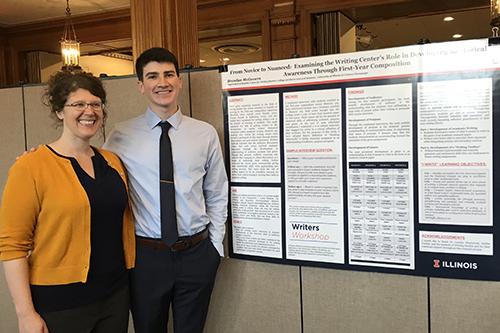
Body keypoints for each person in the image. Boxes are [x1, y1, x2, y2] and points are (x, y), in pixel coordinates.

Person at [0, 67, 136, 333]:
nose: (90, 111)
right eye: (79, 104)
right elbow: (12, 246)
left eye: (96, 104)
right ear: (60, 111)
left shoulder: (112, 162)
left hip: (115, 297)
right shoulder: (31, 167)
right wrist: (25, 314)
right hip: (59, 304)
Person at [102, 47, 228, 333]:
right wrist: (40, 158)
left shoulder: (204, 133)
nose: (163, 83)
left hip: (197, 253)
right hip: (146, 258)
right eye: (153, 76)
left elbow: (217, 191)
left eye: (169, 74)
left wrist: (214, 248)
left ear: (180, 80)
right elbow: (94, 175)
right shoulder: (120, 135)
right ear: (141, 86)